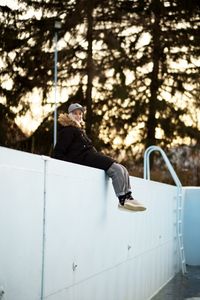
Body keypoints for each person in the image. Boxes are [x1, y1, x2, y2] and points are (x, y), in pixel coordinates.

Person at [53, 103, 146, 212]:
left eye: (80, 114)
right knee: (115, 169)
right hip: (83, 158)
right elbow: (58, 152)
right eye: (75, 113)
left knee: (122, 168)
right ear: (69, 115)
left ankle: (128, 196)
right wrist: (69, 164)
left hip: (90, 156)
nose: (78, 116)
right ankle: (122, 199)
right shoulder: (67, 130)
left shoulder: (79, 130)